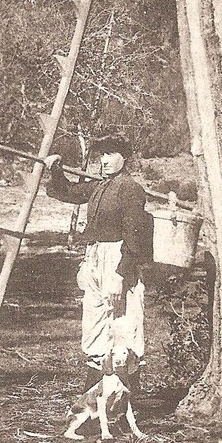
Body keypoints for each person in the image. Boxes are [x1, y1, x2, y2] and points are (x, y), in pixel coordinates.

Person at [44, 134, 154, 392]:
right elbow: (67, 192)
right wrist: (55, 169)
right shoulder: (98, 186)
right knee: (95, 321)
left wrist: (121, 274)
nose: (104, 160)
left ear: (125, 158)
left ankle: (126, 397)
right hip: (94, 256)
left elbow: (135, 235)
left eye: (111, 154)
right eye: (102, 154)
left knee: (122, 323)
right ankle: (94, 396)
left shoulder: (129, 188)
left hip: (118, 257)